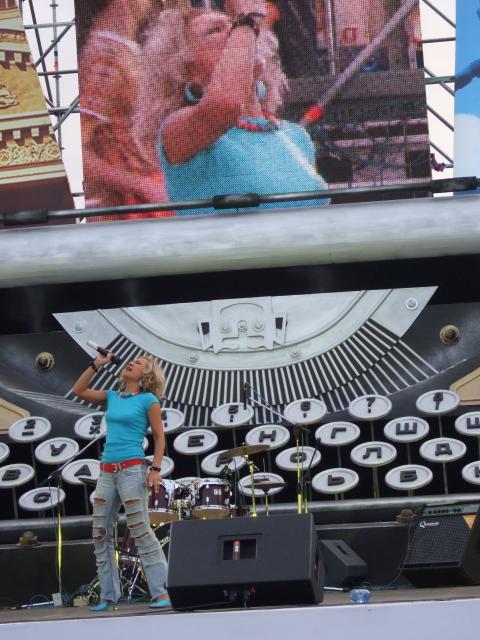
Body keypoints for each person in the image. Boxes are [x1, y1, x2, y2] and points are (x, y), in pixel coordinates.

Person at [135, 0, 329, 215]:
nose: (238, 33)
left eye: (235, 26)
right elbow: (225, 104)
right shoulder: (176, 131)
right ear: (186, 71)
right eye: (215, 30)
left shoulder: (295, 136)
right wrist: (247, 19)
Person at [72, 352, 170, 611]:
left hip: (132, 470)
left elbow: (160, 437)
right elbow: (78, 390)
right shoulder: (112, 396)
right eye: (131, 360)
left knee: (140, 530)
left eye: (139, 363)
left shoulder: (149, 400)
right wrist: (97, 364)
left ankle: (161, 591)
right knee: (100, 533)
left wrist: (155, 469)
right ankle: (108, 595)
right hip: (107, 471)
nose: (131, 363)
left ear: (146, 375)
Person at [78, 0, 172, 220]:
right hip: (130, 211)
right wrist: (142, 186)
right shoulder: (105, 55)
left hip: (148, 205)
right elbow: (74, 151)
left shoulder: (124, 49)